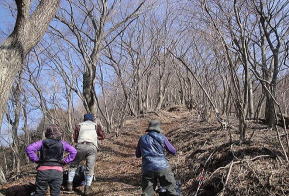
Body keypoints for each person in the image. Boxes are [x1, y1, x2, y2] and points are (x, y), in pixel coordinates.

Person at [26, 124, 77, 196]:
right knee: (55, 193)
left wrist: (36, 160)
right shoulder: (62, 143)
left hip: (43, 171)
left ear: (47, 133)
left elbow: (29, 149)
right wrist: (65, 161)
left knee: (39, 193)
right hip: (57, 171)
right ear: (58, 133)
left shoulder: (42, 142)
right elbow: (74, 151)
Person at [136, 120, 178, 196]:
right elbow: (173, 151)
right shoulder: (162, 137)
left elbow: (138, 154)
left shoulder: (142, 138)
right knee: (171, 189)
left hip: (147, 168)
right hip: (163, 167)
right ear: (158, 129)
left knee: (147, 193)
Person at [67, 113, 105, 195]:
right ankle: (87, 189)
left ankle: (69, 185)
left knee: (73, 165)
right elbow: (102, 136)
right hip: (92, 147)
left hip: (80, 146)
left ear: (84, 119)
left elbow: (75, 138)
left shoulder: (79, 125)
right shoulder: (95, 126)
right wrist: (96, 137)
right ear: (92, 119)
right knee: (90, 168)